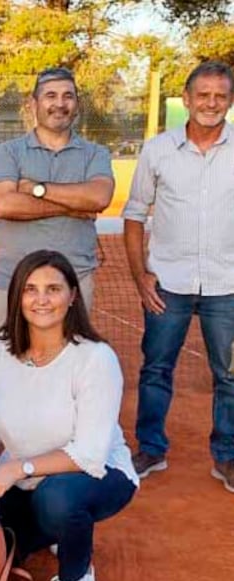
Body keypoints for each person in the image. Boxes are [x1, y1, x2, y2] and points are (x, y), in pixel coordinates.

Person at [0, 249, 138, 581]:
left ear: (73, 295)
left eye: (53, 289)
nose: (41, 299)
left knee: (57, 501)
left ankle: (76, 575)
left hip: (98, 473)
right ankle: (51, 532)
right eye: (30, 289)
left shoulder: (96, 359)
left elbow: (89, 453)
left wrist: (13, 470)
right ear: (17, 297)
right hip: (25, 476)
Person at [123, 60, 234, 490]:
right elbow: (134, 216)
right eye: (202, 95)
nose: (211, 103)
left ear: (229, 101)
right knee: (156, 369)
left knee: (229, 375)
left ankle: (226, 456)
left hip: (227, 287)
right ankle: (151, 448)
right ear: (186, 99)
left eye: (220, 96)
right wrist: (140, 277)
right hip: (167, 285)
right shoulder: (158, 150)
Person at [0, 67, 114, 347]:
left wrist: (37, 189)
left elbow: (99, 198)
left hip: (73, 282)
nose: (59, 103)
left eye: (68, 96)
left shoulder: (96, 153)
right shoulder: (8, 152)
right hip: (7, 281)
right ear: (34, 104)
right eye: (50, 96)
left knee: (64, 371)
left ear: (76, 104)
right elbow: (4, 204)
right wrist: (72, 206)